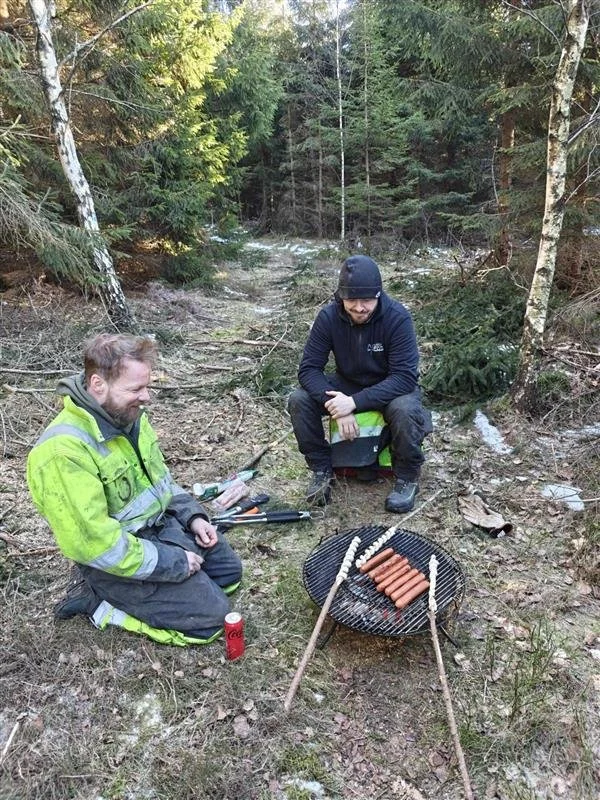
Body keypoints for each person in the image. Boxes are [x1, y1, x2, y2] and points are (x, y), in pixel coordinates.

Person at [26, 333, 244, 644]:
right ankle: (98, 604)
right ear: (98, 384)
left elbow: (160, 482)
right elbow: (98, 544)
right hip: (116, 560)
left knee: (229, 575)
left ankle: (177, 586)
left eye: (147, 386)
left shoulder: (128, 416)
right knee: (211, 621)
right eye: (135, 389)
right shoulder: (62, 453)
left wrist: (193, 517)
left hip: (158, 530)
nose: (147, 397)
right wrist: (173, 562)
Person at [288, 255, 432, 512]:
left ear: (378, 295)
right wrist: (336, 405)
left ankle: (407, 477)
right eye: (351, 301)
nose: (359, 308)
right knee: (299, 399)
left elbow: (404, 377)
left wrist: (353, 403)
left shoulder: (397, 318)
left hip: (390, 387)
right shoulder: (328, 317)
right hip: (347, 383)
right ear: (340, 296)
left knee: (406, 409)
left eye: (366, 300)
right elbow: (309, 369)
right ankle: (321, 470)